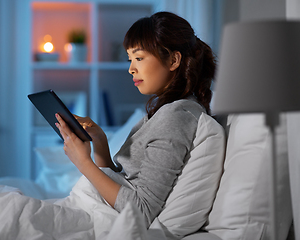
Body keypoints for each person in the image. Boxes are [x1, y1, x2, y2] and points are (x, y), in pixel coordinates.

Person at [55, 11, 216, 226]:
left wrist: (83, 163)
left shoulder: (176, 117)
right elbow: (123, 184)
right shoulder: (165, 111)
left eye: (139, 58)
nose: (131, 69)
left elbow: (141, 209)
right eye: (130, 59)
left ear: (174, 60)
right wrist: (100, 144)